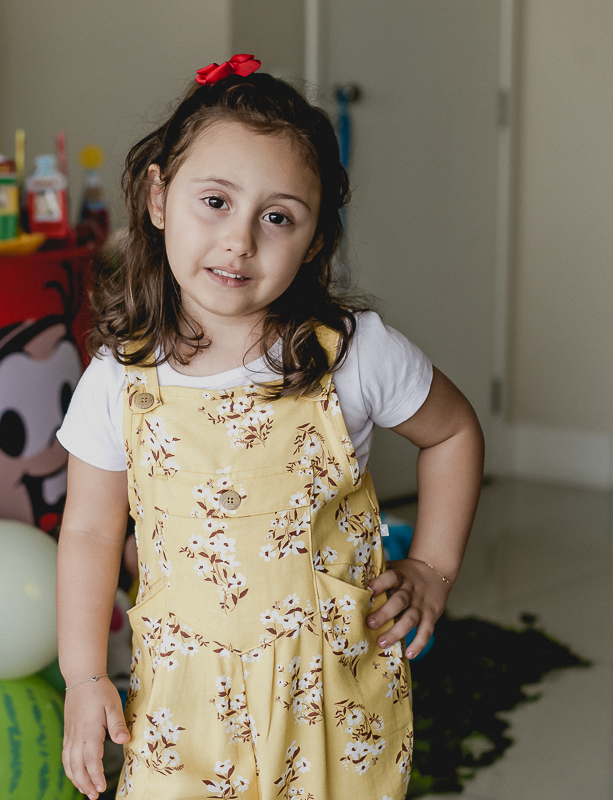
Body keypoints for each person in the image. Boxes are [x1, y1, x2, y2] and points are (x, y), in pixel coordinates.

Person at [55, 55, 483, 799]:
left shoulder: (353, 353)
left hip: (331, 697)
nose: (240, 239)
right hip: (184, 705)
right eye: (214, 201)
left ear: (315, 240)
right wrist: (85, 676)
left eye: (278, 216)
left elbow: (452, 434)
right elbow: (91, 531)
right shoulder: (118, 378)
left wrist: (433, 568)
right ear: (159, 197)